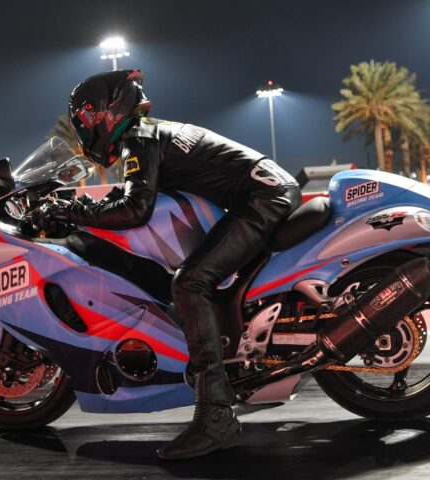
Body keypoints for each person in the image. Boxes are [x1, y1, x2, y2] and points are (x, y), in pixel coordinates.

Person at [35, 69, 302, 459]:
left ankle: (215, 416)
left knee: (190, 283)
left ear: (109, 109)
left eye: (88, 116)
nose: (85, 126)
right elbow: (135, 194)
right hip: (267, 191)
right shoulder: (149, 134)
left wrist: (70, 211)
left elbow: (135, 209)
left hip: (262, 198)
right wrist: (85, 206)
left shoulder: (138, 138)